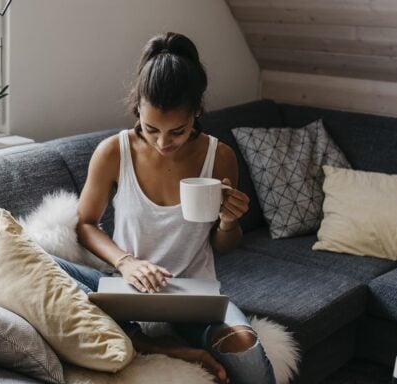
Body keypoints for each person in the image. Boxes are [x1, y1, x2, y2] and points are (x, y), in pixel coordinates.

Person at [52, 32, 275, 384]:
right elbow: (86, 225)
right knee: (43, 262)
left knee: (247, 352)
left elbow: (225, 246)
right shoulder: (114, 152)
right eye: (151, 128)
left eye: (178, 131)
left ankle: (165, 340)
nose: (162, 142)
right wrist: (126, 262)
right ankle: (146, 341)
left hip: (194, 298)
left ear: (197, 113)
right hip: (127, 292)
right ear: (137, 106)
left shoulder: (220, 157)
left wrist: (230, 223)